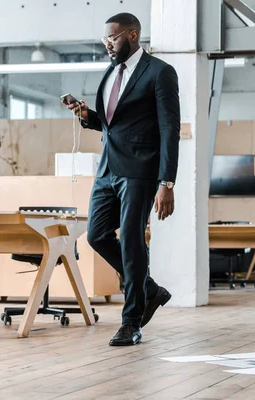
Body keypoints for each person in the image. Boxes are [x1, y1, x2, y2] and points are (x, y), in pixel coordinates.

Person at [64, 12, 180, 346]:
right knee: (96, 235)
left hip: (141, 172)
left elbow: (169, 129)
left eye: (112, 39)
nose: (107, 45)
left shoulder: (160, 72)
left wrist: (166, 182)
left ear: (131, 34)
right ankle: (149, 289)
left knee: (131, 240)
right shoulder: (111, 71)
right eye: (105, 40)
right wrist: (89, 117)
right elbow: (114, 124)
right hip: (107, 170)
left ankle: (131, 321)